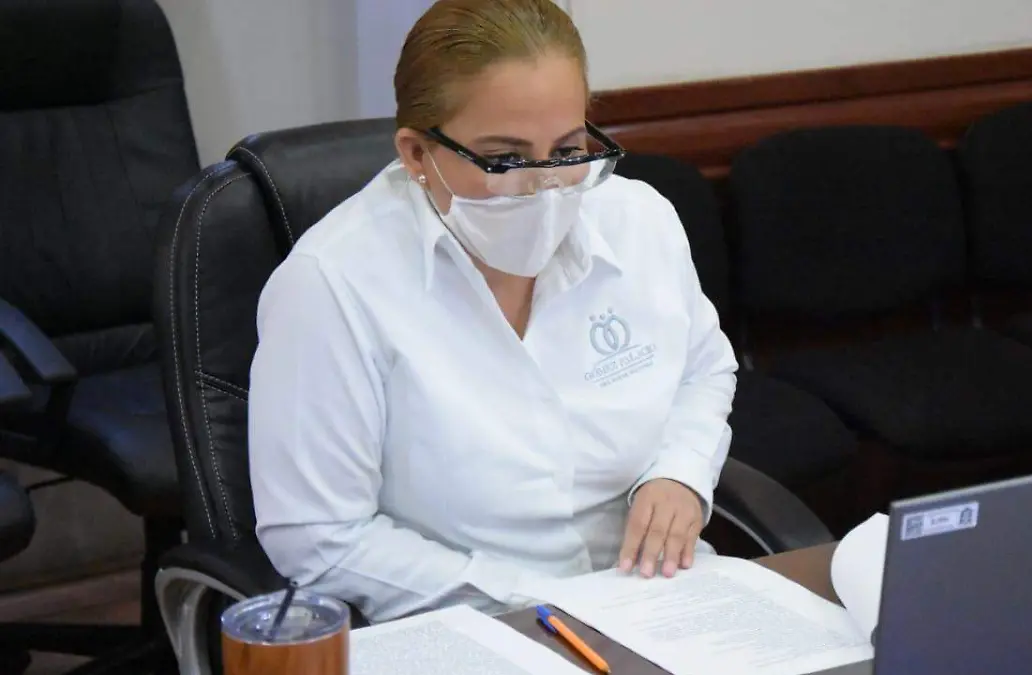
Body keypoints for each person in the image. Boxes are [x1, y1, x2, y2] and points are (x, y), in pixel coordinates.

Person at [247, 0, 737, 623]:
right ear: (417, 155)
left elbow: (703, 369)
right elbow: (319, 536)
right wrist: (536, 602)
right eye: (505, 160)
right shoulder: (334, 284)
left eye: (567, 150)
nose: (544, 187)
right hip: (473, 618)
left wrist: (680, 473)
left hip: (657, 595)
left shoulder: (639, 221)